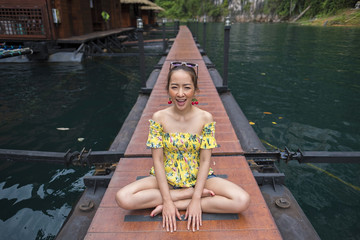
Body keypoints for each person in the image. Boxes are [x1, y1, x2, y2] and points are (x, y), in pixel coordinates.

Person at [116, 61, 250, 232]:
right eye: (175, 87)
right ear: (168, 90)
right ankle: (182, 194)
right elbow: (157, 160)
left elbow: (204, 160)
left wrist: (194, 201)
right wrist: (167, 200)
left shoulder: (205, 118)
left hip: (198, 177)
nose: (180, 94)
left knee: (242, 200)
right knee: (123, 198)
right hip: (167, 177)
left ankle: (185, 200)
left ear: (195, 90)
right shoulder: (159, 118)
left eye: (186, 87)